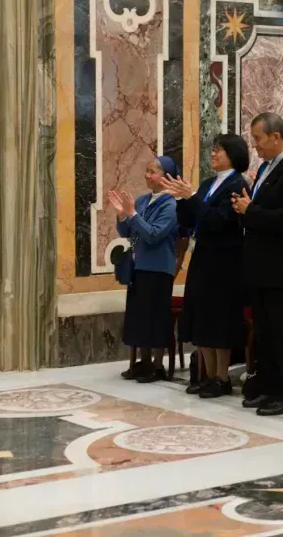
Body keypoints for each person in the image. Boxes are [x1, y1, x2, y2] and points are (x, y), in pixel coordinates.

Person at [233, 112, 283, 416]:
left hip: (282, 267)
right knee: (264, 331)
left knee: (281, 332)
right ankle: (268, 387)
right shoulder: (268, 166)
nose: (255, 146)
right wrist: (246, 209)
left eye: (258, 139)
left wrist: (250, 211)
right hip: (262, 265)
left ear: (276, 137)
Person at [162, 135, 249, 398]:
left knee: (218, 321)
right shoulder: (210, 183)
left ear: (233, 154)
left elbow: (219, 221)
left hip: (224, 261)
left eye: (219, 150)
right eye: (213, 150)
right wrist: (182, 200)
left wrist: (194, 199)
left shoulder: (236, 184)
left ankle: (222, 377)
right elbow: (192, 219)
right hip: (203, 258)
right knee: (202, 317)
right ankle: (207, 375)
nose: (213, 154)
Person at [111, 156, 179, 384]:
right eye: (147, 171)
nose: (147, 175)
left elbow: (152, 235)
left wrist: (132, 215)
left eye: (152, 172)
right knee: (139, 316)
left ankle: (158, 366)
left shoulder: (170, 205)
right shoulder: (142, 200)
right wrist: (122, 215)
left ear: (166, 176)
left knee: (155, 317)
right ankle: (144, 362)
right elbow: (127, 232)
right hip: (139, 266)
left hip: (158, 268)